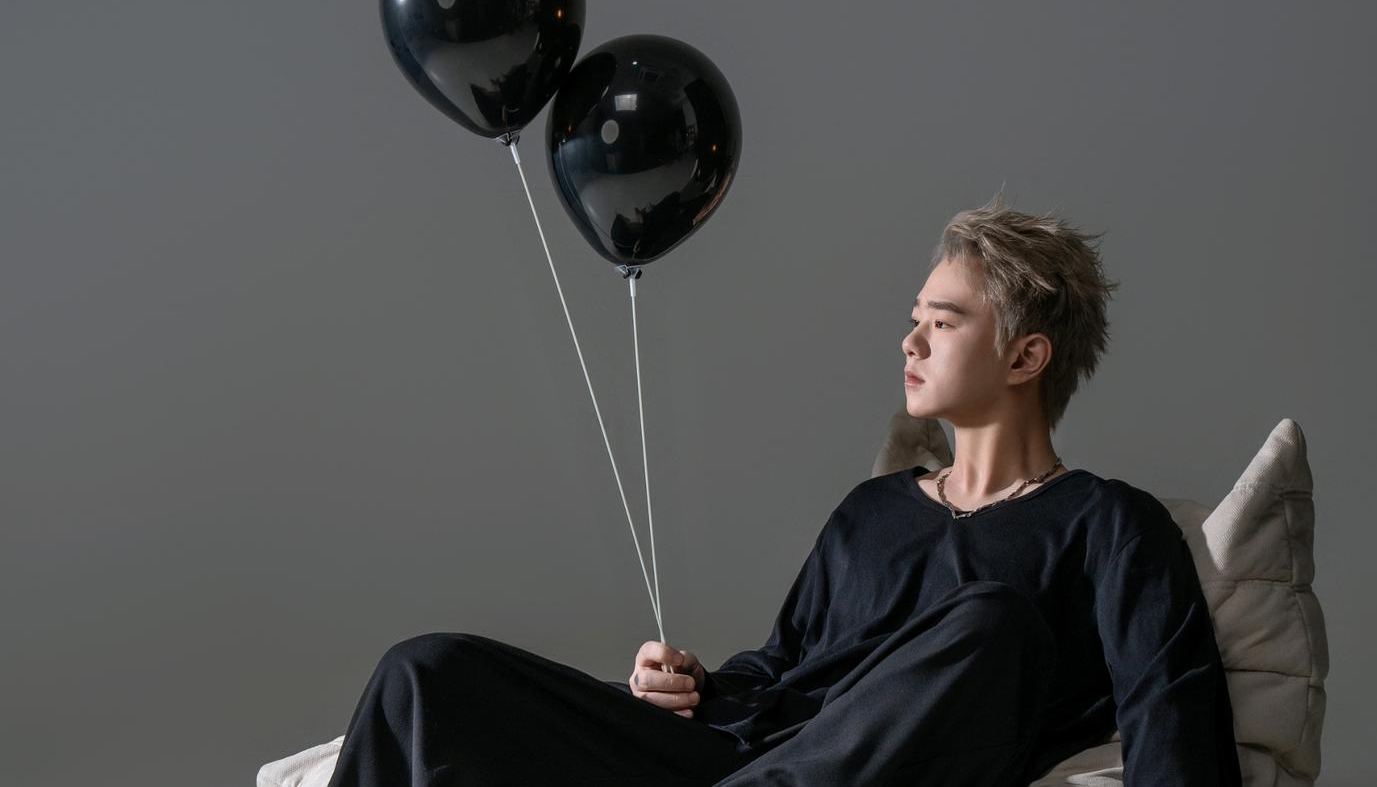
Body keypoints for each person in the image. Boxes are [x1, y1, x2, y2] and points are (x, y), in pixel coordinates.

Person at [322, 191, 1243, 786]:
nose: (910, 341)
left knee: (993, 623)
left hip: (891, 765)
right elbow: (778, 672)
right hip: (741, 758)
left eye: (943, 322)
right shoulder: (873, 511)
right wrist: (689, 685)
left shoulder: (1109, 524)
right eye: (913, 319)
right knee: (425, 672)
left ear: (1025, 356)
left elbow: (1172, 713)